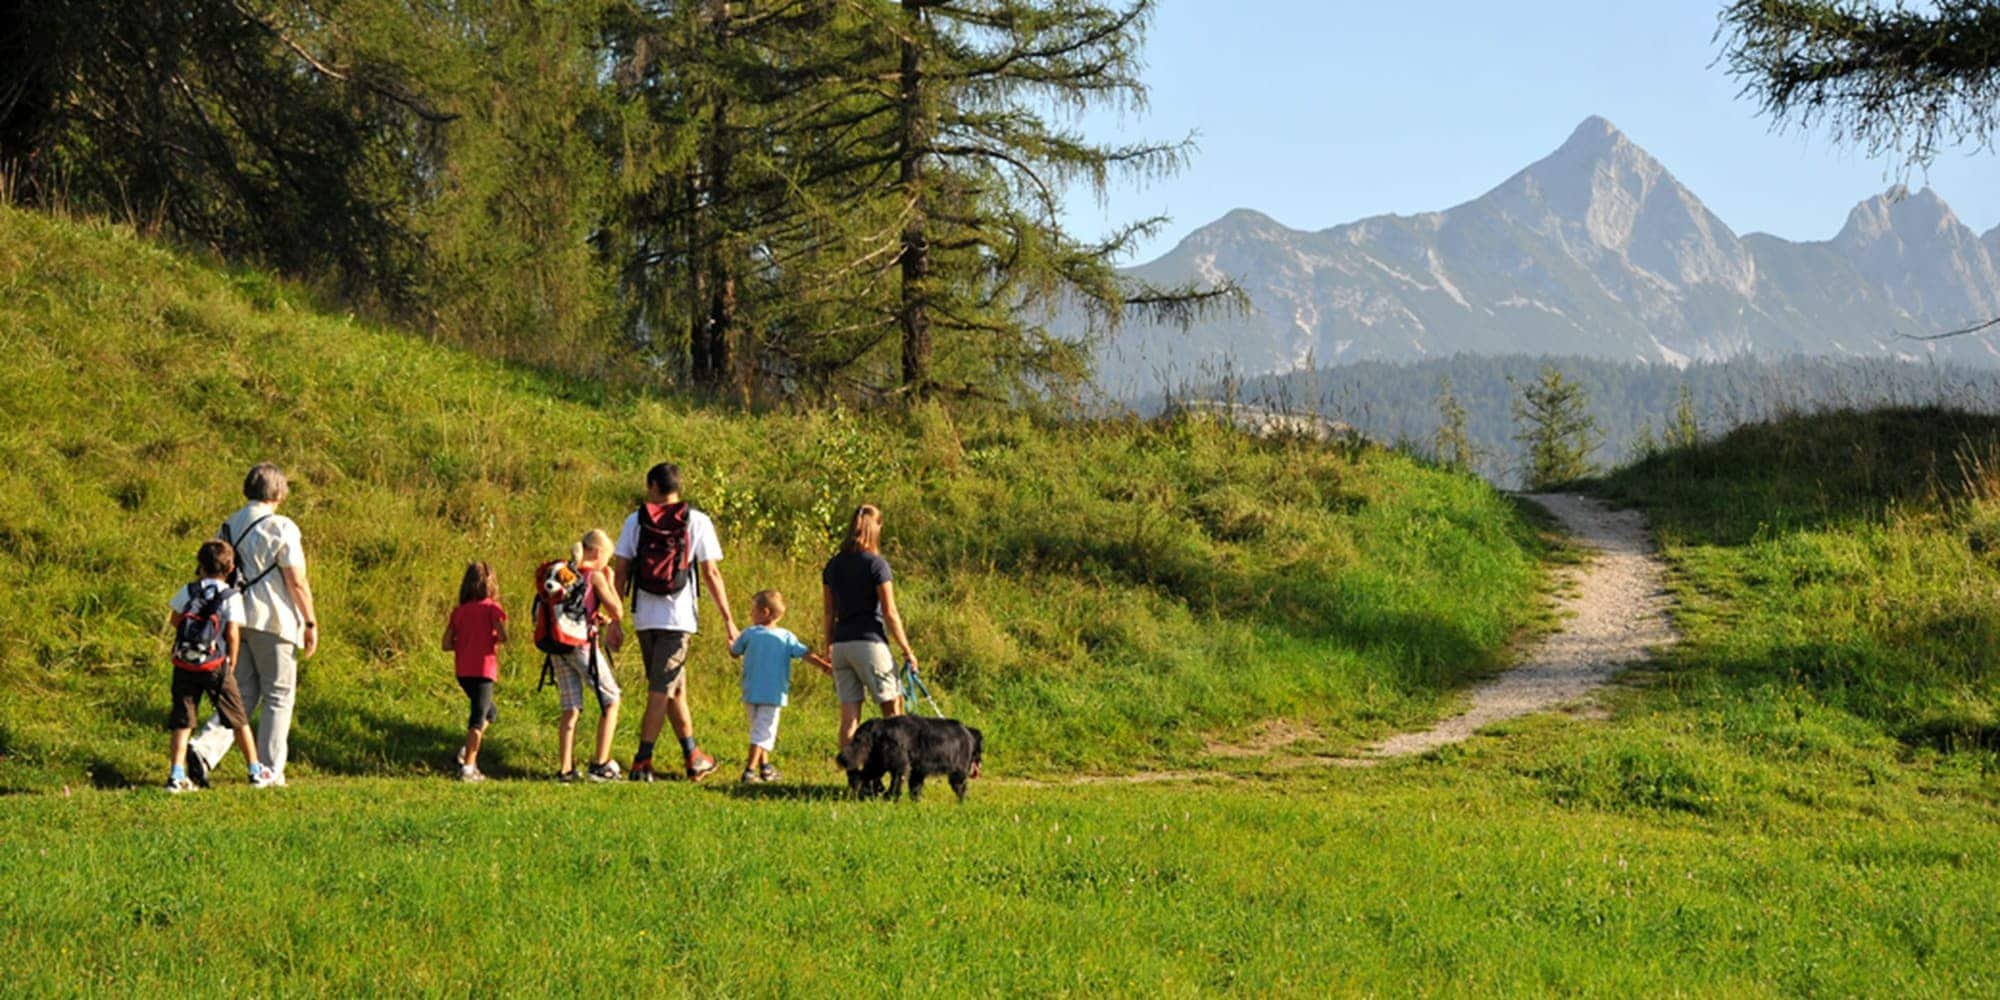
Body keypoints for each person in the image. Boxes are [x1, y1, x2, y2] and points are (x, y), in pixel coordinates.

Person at [187, 463, 319, 788]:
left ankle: (203, 749)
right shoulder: (282, 526)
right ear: (278, 492)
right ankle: (270, 770)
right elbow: (296, 580)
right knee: (278, 694)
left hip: (235, 618)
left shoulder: (229, 525)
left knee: (241, 692)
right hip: (273, 619)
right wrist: (310, 621)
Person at [611, 463, 740, 782]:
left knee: (672, 689)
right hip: (679, 618)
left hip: (644, 617)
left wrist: (614, 618)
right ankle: (642, 761)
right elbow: (711, 573)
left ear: (653, 486)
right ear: (677, 486)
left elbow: (621, 570)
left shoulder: (635, 521)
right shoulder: (698, 521)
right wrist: (729, 620)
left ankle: (693, 755)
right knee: (661, 690)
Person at [165, 540, 277, 792]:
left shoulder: (189, 590)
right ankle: (255, 771)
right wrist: (231, 660)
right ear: (231, 568)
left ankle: (176, 775)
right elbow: (233, 633)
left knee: (183, 720)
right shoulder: (231, 596)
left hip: (185, 663)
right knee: (237, 717)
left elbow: (175, 619)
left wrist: (192, 639)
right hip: (216, 665)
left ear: (199, 565)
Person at [822, 504, 918, 753]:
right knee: (893, 711)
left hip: (842, 645)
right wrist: (907, 649)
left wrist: (828, 646)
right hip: (870, 643)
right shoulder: (877, 565)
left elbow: (829, 612)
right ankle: (894, 769)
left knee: (849, 717)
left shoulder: (833, 565)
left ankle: (853, 776)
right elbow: (890, 613)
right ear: (876, 527)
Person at [728, 590, 831, 783]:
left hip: (750, 692)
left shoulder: (749, 634)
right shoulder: (786, 637)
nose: (750, 614)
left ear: (765, 612)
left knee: (758, 729)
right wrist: (824, 667)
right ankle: (750, 771)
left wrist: (731, 643)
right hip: (773, 693)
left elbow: (734, 652)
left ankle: (764, 767)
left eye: (753, 610)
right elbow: (805, 654)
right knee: (763, 731)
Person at [551, 530, 625, 782]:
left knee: (570, 707)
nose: (608, 563)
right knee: (611, 698)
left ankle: (565, 770)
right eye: (607, 557)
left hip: (558, 644)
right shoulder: (594, 575)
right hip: (582, 645)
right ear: (597, 552)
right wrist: (611, 582)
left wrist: (596, 617)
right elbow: (618, 611)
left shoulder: (566, 573)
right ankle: (601, 763)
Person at [443, 561, 507, 782]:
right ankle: (469, 767)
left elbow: (446, 643)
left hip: (463, 670)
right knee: (478, 718)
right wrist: (491, 638)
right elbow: (503, 636)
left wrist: (465, 642)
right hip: (484, 669)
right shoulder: (492, 609)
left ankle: (466, 751)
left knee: (490, 713)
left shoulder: (458, 612)